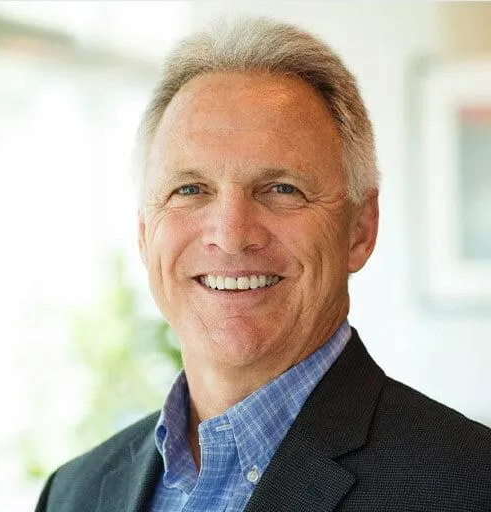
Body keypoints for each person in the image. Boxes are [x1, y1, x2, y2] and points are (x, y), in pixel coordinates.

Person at [36, 17, 491, 512]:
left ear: (360, 229)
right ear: (146, 235)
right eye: (190, 189)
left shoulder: (470, 485)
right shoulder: (73, 493)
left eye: (281, 189)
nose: (231, 235)